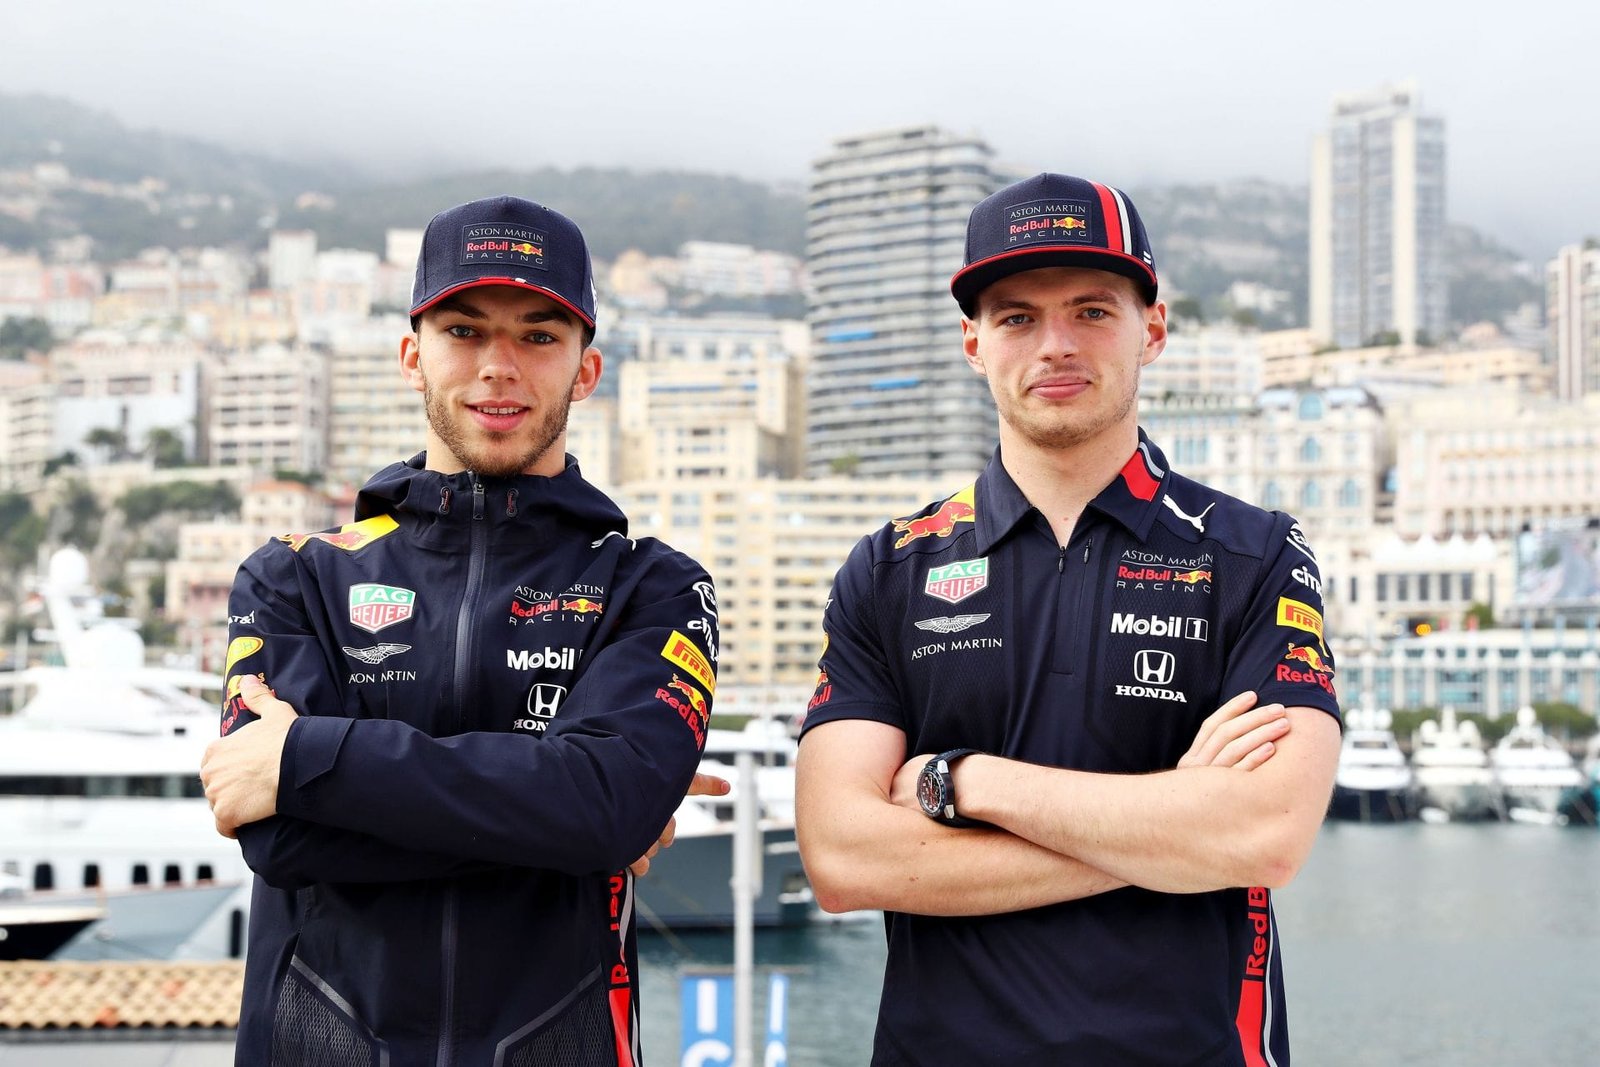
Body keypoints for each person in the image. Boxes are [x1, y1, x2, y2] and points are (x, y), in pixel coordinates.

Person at [795, 173, 1342, 1064]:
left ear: (1151, 330)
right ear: (973, 343)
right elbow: (844, 859)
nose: (1056, 345)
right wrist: (1175, 831)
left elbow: (1265, 834)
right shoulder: (890, 569)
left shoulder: (1255, 554)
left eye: (1092, 311)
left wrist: (965, 782)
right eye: (1018, 317)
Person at [200, 194, 725, 1067]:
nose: (498, 366)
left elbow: (607, 810)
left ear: (586, 370)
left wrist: (307, 760)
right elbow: (280, 837)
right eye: (464, 330)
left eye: (539, 335)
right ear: (413, 356)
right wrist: (559, 818)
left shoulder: (655, 586)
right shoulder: (295, 574)